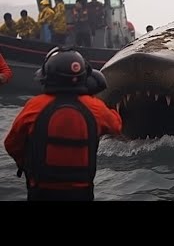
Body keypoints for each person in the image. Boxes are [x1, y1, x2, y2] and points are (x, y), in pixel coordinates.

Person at [3, 46, 122, 201]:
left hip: (40, 190)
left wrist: (25, 164)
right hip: (81, 192)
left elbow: (11, 143)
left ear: (47, 76)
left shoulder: (35, 105)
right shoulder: (95, 108)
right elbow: (117, 127)